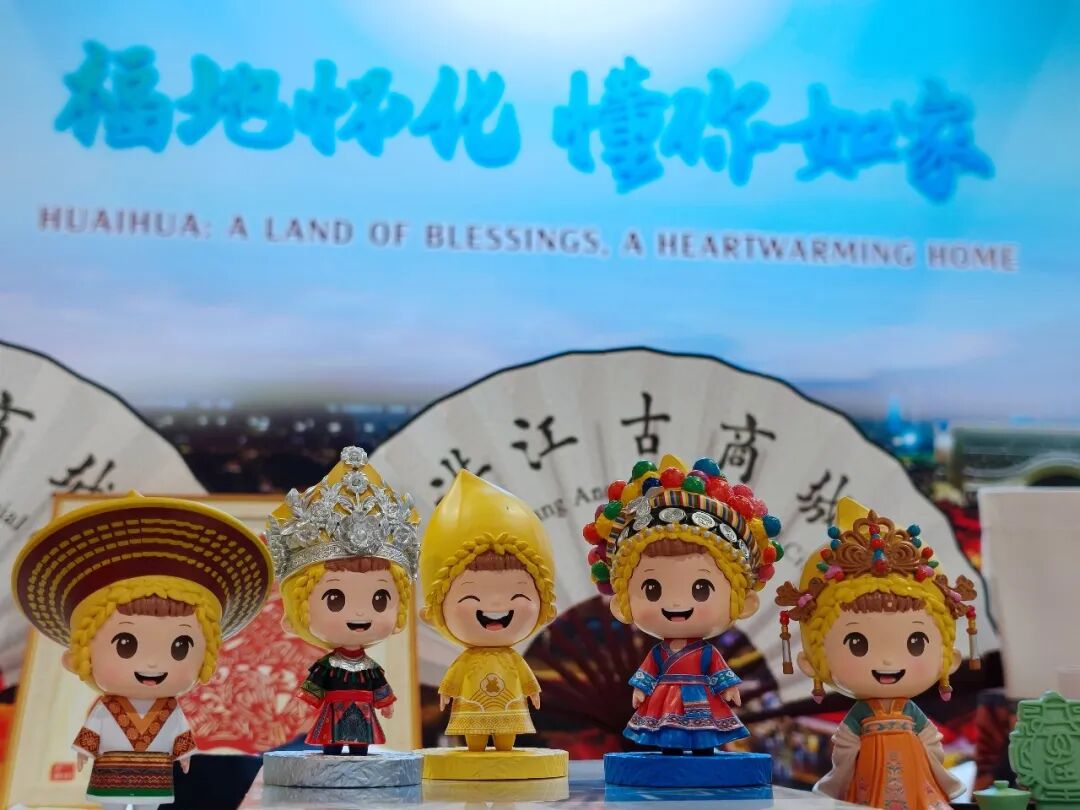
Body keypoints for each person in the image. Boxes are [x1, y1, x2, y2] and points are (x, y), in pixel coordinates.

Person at [12, 494, 272, 810]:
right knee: (112, 804)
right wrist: (84, 750)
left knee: (151, 803)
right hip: (112, 770)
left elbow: (179, 732)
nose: (151, 662)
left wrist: (185, 753)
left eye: (180, 647)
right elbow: (93, 730)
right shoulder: (107, 709)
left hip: (155, 771)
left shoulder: (168, 710)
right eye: (126, 644)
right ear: (79, 659)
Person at [775, 496, 979, 809]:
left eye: (915, 643)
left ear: (948, 659)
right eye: (857, 644)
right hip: (868, 778)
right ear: (811, 662)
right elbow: (845, 750)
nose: (887, 661)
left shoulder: (910, 713)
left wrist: (938, 768)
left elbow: (930, 743)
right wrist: (840, 778)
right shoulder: (861, 716)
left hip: (914, 777)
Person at [583, 453, 783, 754]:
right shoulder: (661, 654)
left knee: (704, 738)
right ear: (621, 605)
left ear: (744, 602)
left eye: (701, 589)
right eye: (652, 589)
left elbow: (717, 669)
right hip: (666, 697)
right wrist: (640, 688)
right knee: (668, 736)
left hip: (700, 696)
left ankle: (702, 751)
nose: (677, 602)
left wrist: (728, 686)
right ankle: (672, 752)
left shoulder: (705, 653)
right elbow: (649, 671)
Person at [268, 445, 420, 755]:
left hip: (362, 712)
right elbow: (313, 687)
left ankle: (358, 752)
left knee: (361, 747)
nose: (361, 613)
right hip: (334, 712)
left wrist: (386, 703)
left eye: (380, 599)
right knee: (333, 746)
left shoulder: (369, 667)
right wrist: (305, 703)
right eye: (335, 599)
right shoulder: (328, 666)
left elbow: (379, 687)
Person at [419, 470, 557, 752]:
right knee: (475, 738)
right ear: (435, 609)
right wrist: (446, 692)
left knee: (507, 738)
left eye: (517, 595)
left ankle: (505, 744)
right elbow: (455, 676)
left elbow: (525, 676)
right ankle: (476, 744)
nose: (495, 605)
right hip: (473, 706)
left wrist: (532, 690)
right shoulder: (468, 659)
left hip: (508, 705)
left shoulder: (512, 659)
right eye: (472, 596)